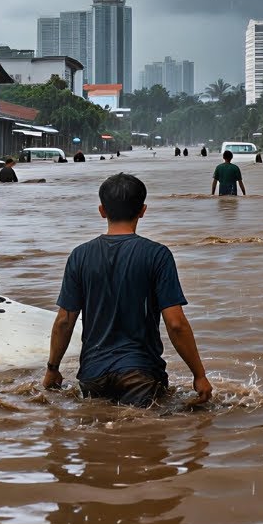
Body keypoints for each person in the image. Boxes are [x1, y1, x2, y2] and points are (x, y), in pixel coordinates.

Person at [43, 173, 212, 407]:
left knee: (97, 436)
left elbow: (64, 321)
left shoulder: (79, 256)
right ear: (143, 210)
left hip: (92, 374)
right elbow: (175, 323)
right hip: (140, 374)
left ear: (102, 210)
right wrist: (199, 375)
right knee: (142, 436)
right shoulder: (157, 255)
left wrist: (52, 369)